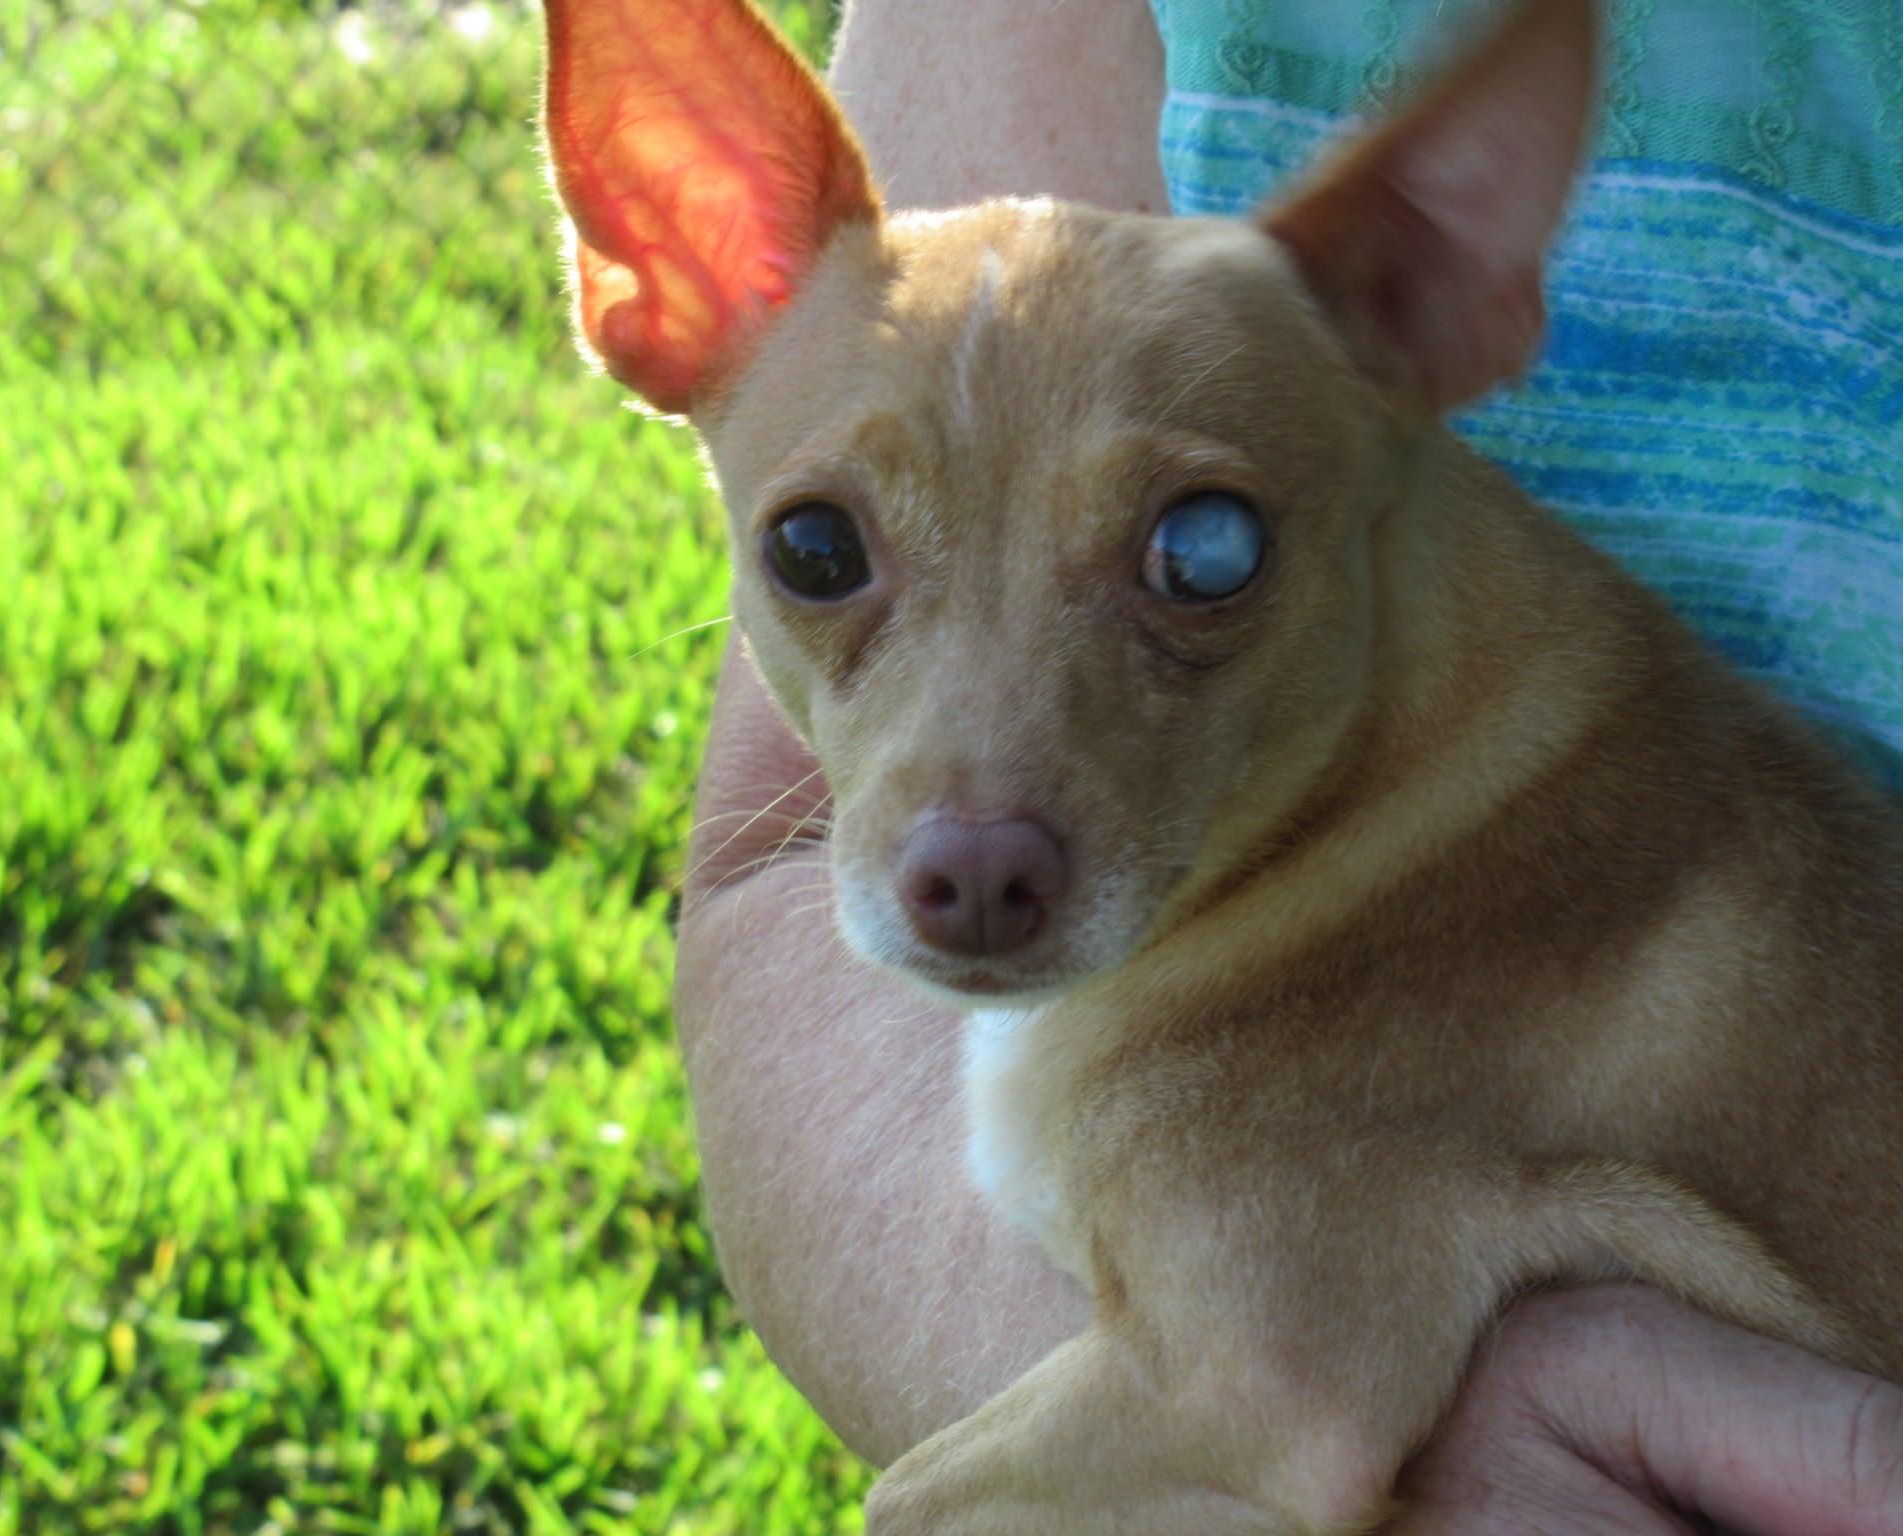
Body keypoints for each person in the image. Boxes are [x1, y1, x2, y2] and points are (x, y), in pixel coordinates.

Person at [672, 1, 1903, 1528]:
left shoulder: (1477, 903)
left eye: (1196, 559)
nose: (978, 823)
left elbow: (1255, 1406)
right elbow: (772, 875)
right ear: (668, 267)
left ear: (1436, 294)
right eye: (823, 555)